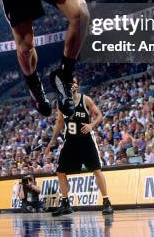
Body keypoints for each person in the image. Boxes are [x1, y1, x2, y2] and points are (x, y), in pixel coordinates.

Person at [45, 76, 113, 216]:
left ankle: (106, 202)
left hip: (86, 140)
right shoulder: (62, 103)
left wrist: (91, 125)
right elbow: (59, 122)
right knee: (60, 171)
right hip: (70, 142)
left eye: (73, 83)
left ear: (77, 85)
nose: (71, 86)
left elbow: (99, 115)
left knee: (96, 170)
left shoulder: (85, 99)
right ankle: (65, 204)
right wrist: (52, 140)